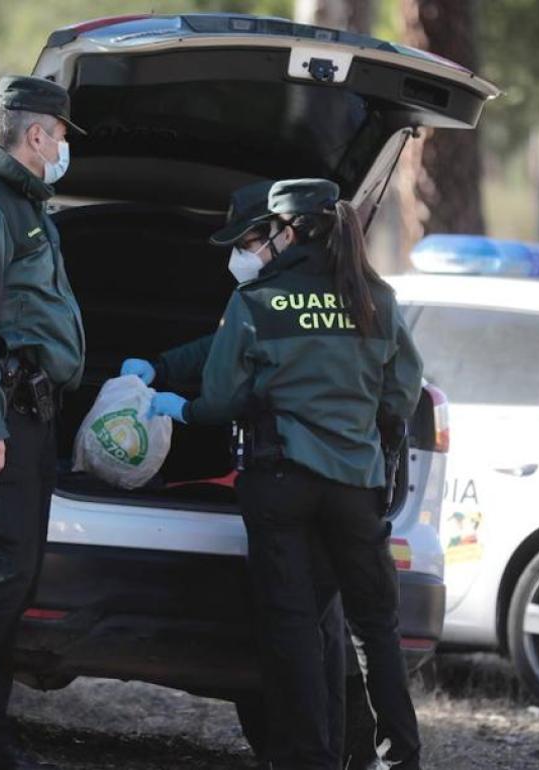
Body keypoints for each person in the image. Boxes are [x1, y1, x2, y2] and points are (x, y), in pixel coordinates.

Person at [147, 179, 424, 769]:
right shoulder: (378, 300)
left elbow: (221, 398)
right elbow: (402, 395)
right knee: (376, 629)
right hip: (357, 488)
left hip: (281, 486)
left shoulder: (257, 304)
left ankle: (308, 760)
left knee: (294, 627)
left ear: (290, 230)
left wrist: (181, 408)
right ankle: (401, 757)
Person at [0, 75, 86, 770]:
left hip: (30, 418)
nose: (63, 148)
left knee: (15, 580)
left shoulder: (27, 204)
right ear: (37, 134)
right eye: (60, 135)